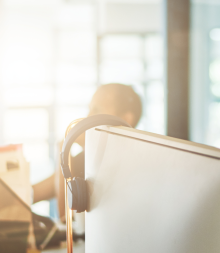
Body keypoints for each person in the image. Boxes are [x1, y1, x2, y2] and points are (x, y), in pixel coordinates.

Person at [32, 83, 142, 219]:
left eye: (96, 110)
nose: (87, 117)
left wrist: (63, 146)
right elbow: (33, 193)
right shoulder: (84, 158)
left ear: (125, 120)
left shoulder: (132, 169)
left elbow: (66, 219)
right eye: (89, 110)